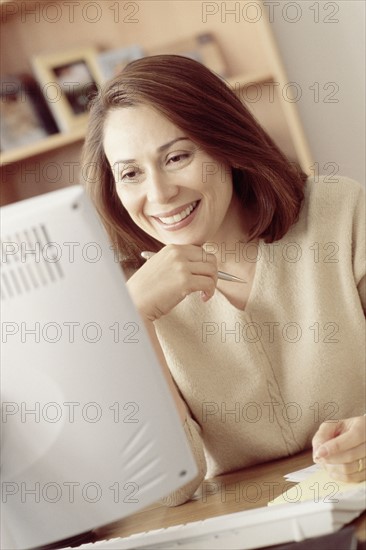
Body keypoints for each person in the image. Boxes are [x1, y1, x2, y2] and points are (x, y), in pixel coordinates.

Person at [82, 54, 366, 506]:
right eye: (131, 173)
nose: (159, 194)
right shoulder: (124, 294)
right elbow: (172, 488)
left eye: (177, 156)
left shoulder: (339, 214)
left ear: (225, 143)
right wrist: (134, 318)